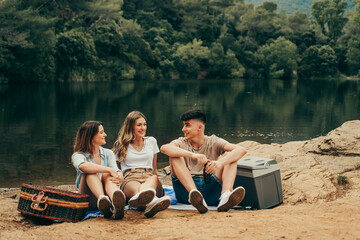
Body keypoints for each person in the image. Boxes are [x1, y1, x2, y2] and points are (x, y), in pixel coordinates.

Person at [160, 110, 247, 213]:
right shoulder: (181, 142)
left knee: (230, 156)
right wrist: (193, 155)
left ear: (199, 128)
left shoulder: (213, 141)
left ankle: (225, 196)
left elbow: (241, 150)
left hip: (210, 189)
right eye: (184, 125)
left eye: (187, 125)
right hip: (186, 193)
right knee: (174, 156)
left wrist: (220, 163)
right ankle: (195, 194)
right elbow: (164, 148)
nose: (183, 129)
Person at [113, 111, 171, 218]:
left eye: (144, 124)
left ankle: (143, 203)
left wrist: (158, 184)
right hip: (130, 178)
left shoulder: (152, 141)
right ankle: (151, 202)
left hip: (149, 176)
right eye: (139, 125)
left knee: (152, 179)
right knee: (138, 192)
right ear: (130, 127)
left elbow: (154, 168)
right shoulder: (120, 144)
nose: (143, 128)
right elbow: (116, 169)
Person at [71, 121, 126, 219]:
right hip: (87, 199)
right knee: (89, 173)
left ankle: (115, 202)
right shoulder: (78, 155)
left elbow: (115, 170)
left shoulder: (108, 153)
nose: (105, 134)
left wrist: (119, 175)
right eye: (101, 132)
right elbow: (82, 166)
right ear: (91, 137)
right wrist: (108, 169)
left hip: (107, 193)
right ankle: (102, 201)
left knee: (109, 175)